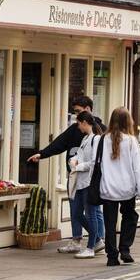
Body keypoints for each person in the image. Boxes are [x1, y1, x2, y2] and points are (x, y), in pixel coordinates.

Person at [31, 94, 106, 251]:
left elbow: (98, 159)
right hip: (74, 177)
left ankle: (98, 241)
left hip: (91, 178)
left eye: (78, 111)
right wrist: (42, 154)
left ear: (87, 110)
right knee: (76, 210)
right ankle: (78, 240)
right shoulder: (75, 129)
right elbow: (59, 143)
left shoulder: (100, 132)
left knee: (94, 212)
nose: (76, 116)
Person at [99, 107, 140, 267]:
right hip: (127, 188)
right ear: (128, 121)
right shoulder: (131, 141)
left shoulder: (103, 140)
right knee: (130, 217)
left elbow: (95, 163)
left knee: (110, 224)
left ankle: (112, 256)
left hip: (108, 188)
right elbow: (138, 167)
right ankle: (125, 249)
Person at [65, 111, 102, 259]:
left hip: (89, 183)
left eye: (79, 124)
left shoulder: (97, 139)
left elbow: (94, 162)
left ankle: (91, 247)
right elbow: (79, 157)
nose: (78, 127)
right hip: (80, 183)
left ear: (85, 123)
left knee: (91, 214)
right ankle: (98, 240)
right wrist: (72, 161)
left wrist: (77, 166)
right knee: (77, 214)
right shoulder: (85, 138)